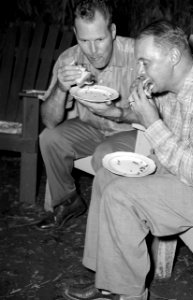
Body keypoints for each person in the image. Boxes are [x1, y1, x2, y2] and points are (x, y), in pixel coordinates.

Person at [63, 20, 193, 300]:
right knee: (108, 175)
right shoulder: (173, 84)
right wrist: (119, 112)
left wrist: (152, 121)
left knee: (123, 196)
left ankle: (128, 295)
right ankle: (108, 283)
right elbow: (154, 121)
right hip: (192, 171)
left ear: (173, 57)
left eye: (145, 62)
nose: (139, 70)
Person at [36, 0, 140, 230]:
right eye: (84, 41)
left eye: (99, 40)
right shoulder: (69, 59)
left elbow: (158, 115)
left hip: (131, 131)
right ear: (75, 34)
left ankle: (108, 225)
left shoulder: (138, 56)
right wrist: (61, 88)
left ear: (112, 32)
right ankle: (68, 201)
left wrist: (119, 113)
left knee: (104, 154)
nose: (92, 51)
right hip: (91, 127)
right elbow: (49, 121)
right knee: (49, 138)